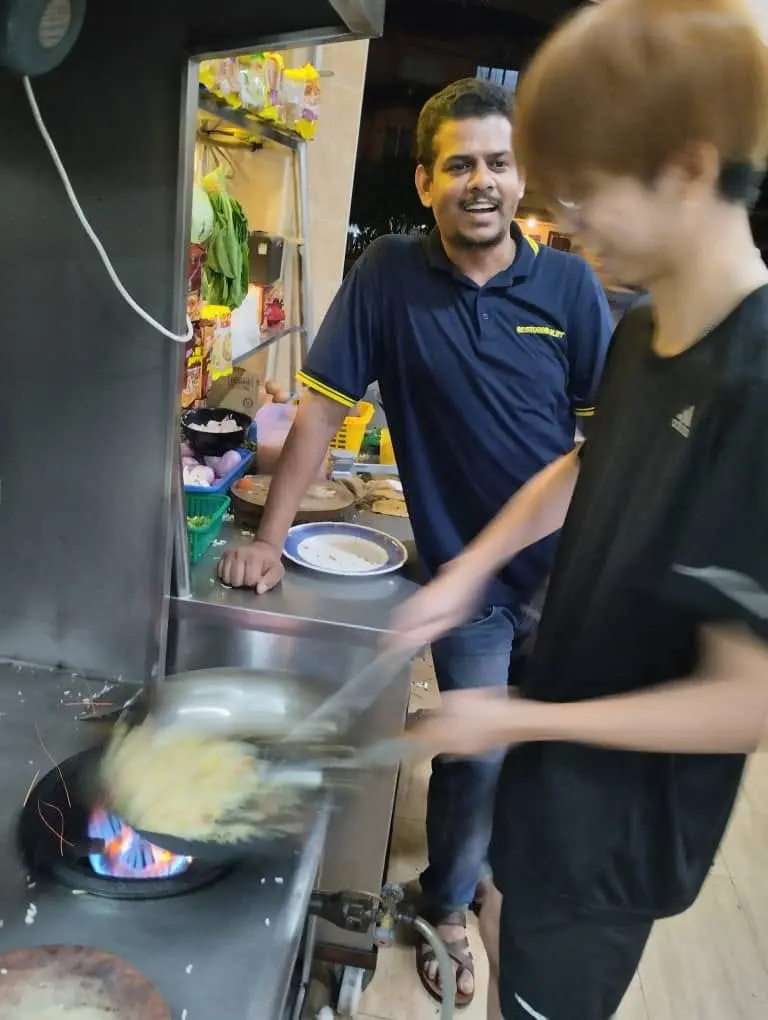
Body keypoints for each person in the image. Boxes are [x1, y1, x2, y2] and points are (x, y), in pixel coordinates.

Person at [390, 1, 768, 1018]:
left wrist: (522, 715)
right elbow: (581, 466)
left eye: (585, 192)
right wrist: (468, 570)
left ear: (687, 169)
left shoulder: (757, 385)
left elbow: (749, 700)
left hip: (618, 834)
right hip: (553, 787)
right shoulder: (649, 336)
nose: (563, 220)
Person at [218, 77, 612, 1005]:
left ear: (524, 179)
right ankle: (445, 906)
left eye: (501, 163)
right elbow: (320, 413)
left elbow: (604, 444)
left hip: (575, 577)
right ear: (427, 181)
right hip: (463, 583)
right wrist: (271, 537)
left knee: (540, 751)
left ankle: (502, 878)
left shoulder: (568, 285)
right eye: (461, 164)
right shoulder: (388, 276)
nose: (484, 181)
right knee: (472, 751)